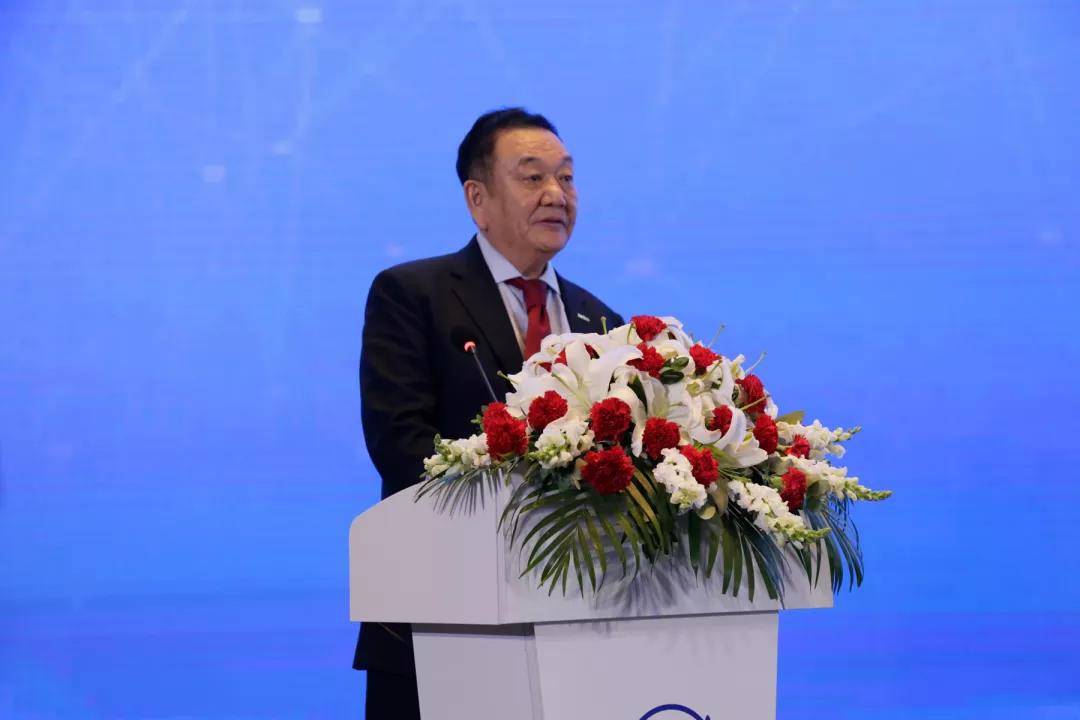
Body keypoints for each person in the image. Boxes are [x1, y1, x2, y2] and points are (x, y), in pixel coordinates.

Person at [353, 107, 624, 719]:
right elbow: (401, 444)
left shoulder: (602, 320)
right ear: (477, 199)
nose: (557, 194)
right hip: (439, 625)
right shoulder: (413, 295)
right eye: (533, 177)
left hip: (575, 630)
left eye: (567, 178)